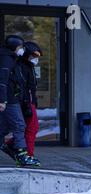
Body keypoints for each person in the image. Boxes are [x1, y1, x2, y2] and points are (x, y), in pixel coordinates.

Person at [0, 35, 35, 166]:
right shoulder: (6, 59)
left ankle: (17, 153)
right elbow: (2, 81)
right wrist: (2, 100)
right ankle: (22, 155)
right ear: (15, 47)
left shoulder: (9, 57)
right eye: (20, 47)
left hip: (9, 97)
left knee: (3, 128)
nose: (21, 50)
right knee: (19, 125)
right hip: (8, 98)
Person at [13, 41, 42, 166]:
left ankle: (14, 146)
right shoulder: (21, 66)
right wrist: (27, 104)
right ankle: (28, 155)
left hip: (29, 102)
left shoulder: (29, 66)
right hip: (26, 102)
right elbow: (23, 88)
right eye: (33, 56)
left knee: (28, 129)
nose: (36, 59)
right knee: (32, 128)